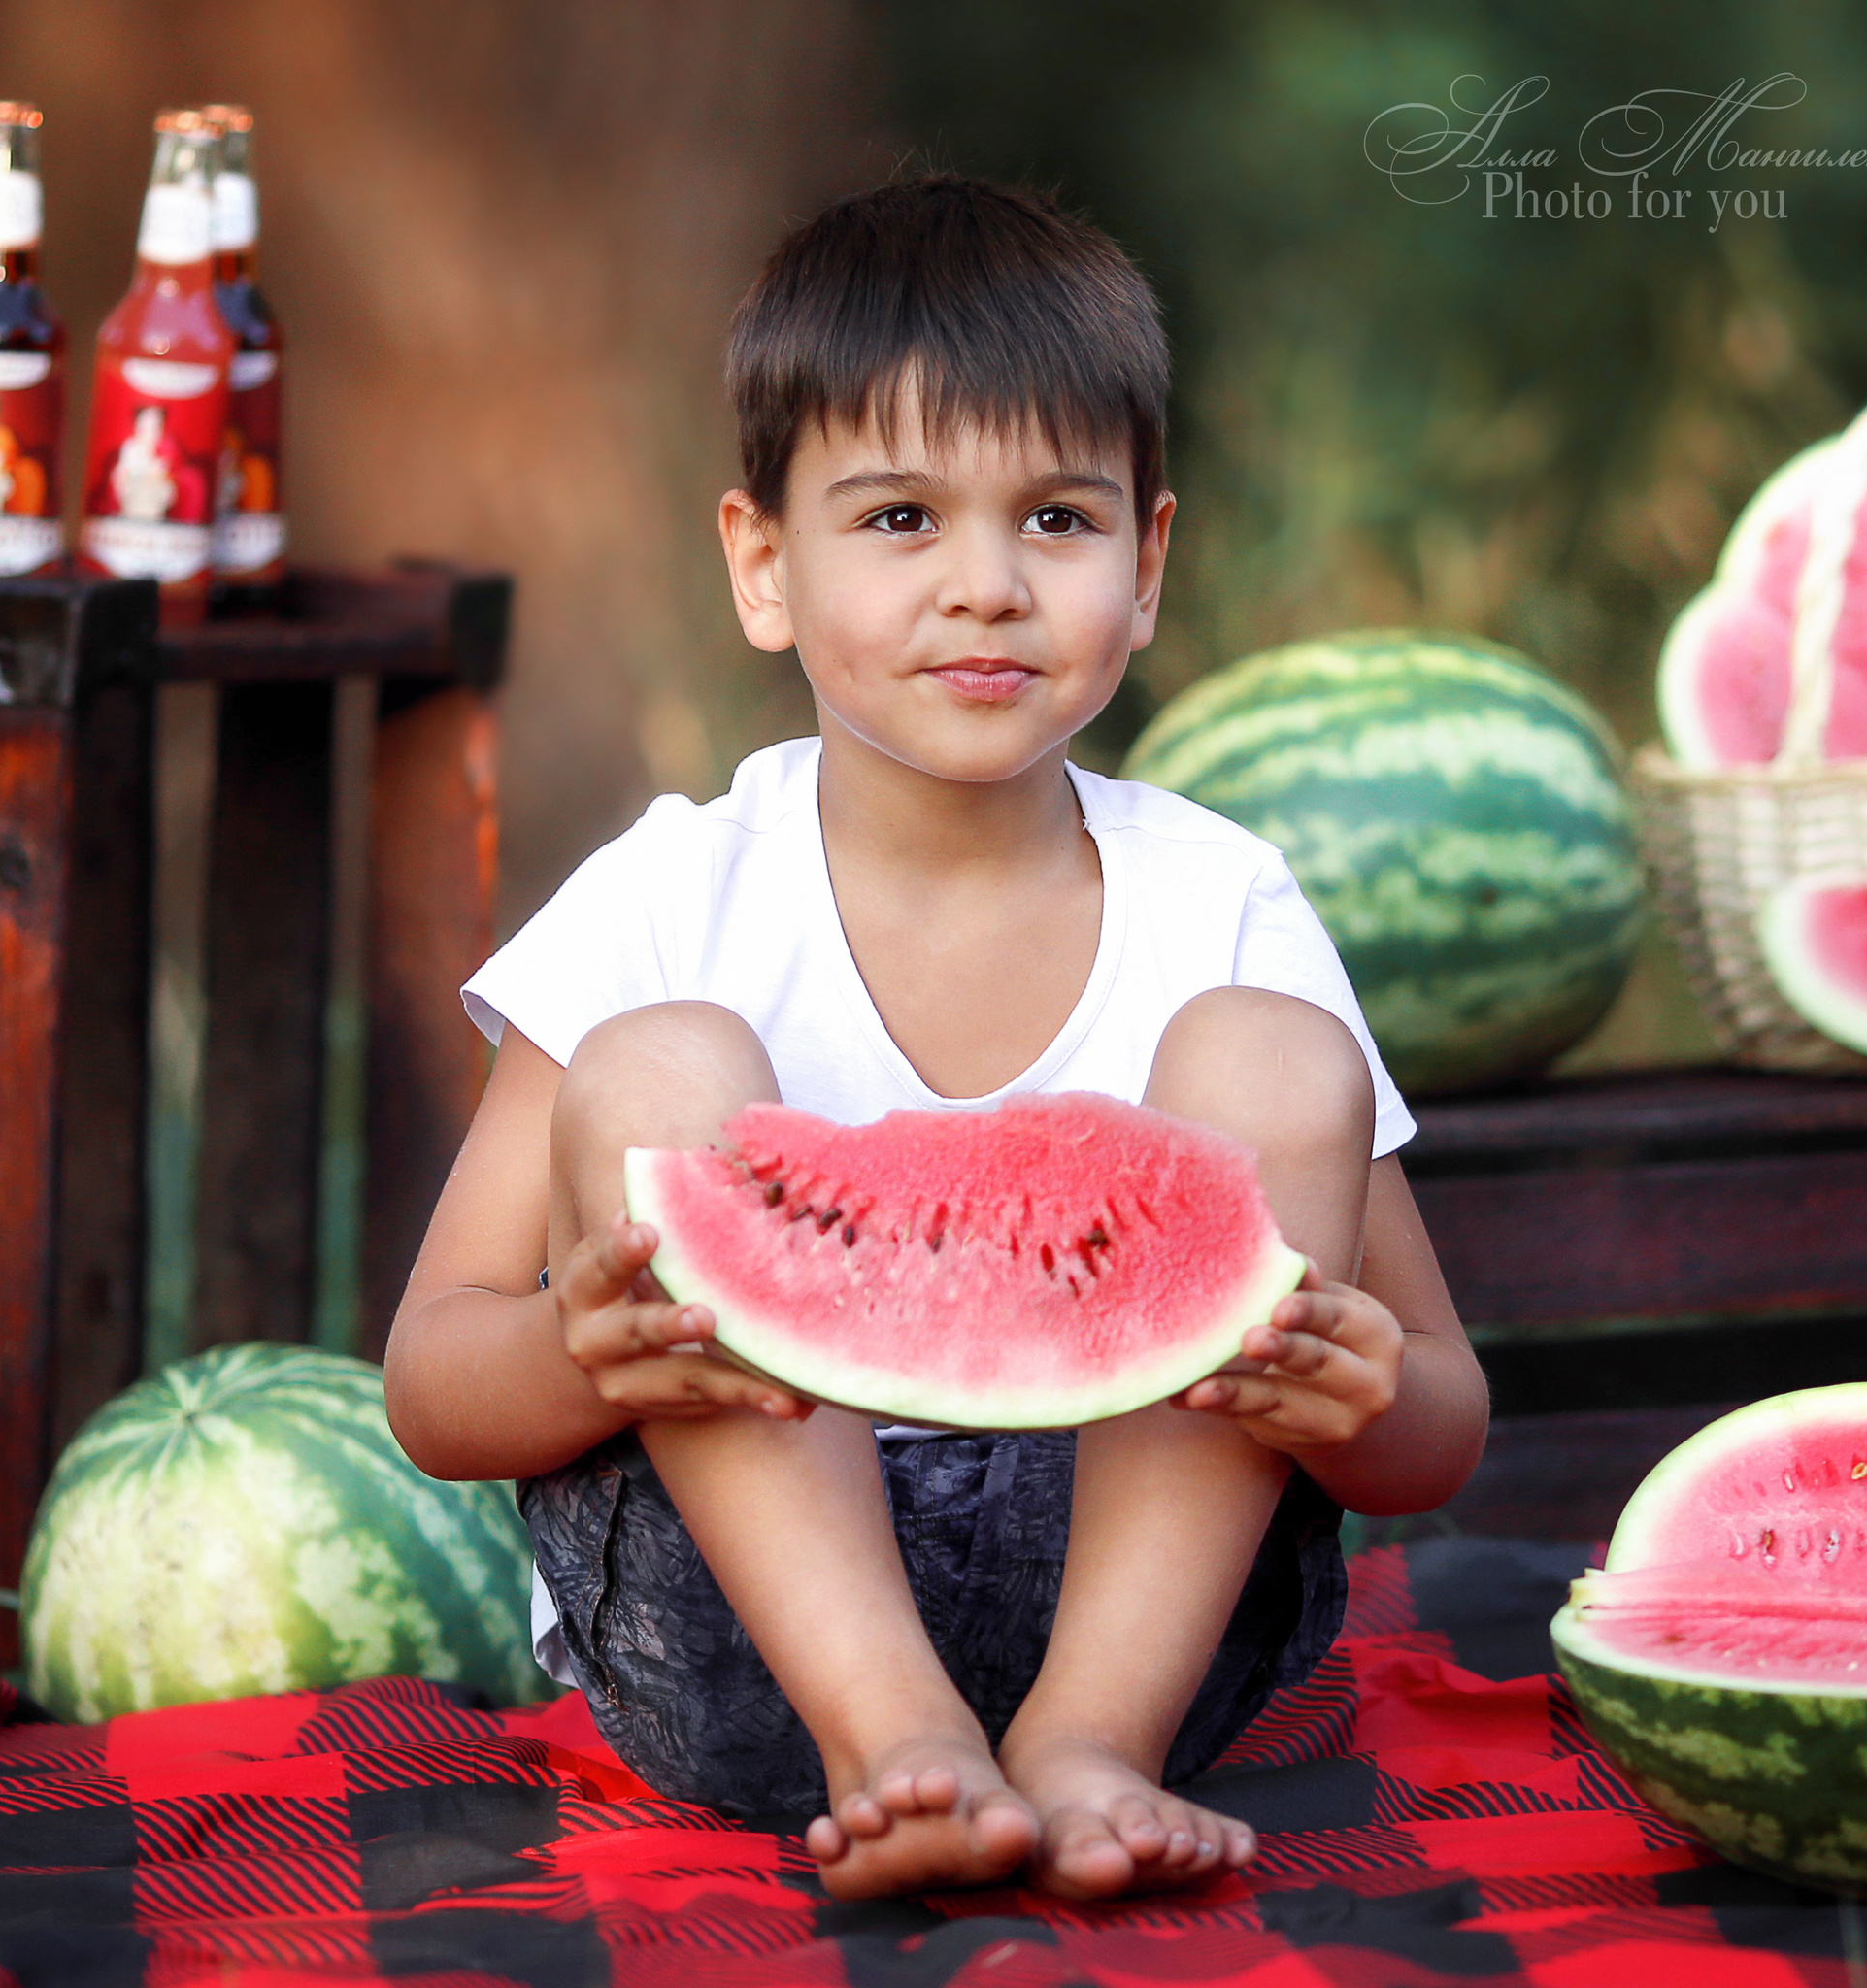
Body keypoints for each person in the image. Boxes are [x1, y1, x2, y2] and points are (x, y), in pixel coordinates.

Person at [383, 174, 1488, 1904]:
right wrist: (580, 1345)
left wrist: (1357, 1400)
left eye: (1057, 520)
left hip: (1152, 1637)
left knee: (1276, 1059)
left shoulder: (1225, 899)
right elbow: (432, 1387)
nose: (985, 587)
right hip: (739, 1650)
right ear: (763, 564)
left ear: (1148, 570)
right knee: (659, 1068)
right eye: (900, 520)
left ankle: (1082, 1747)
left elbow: (1439, 1415)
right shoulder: (667, 898)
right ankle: (892, 1728)